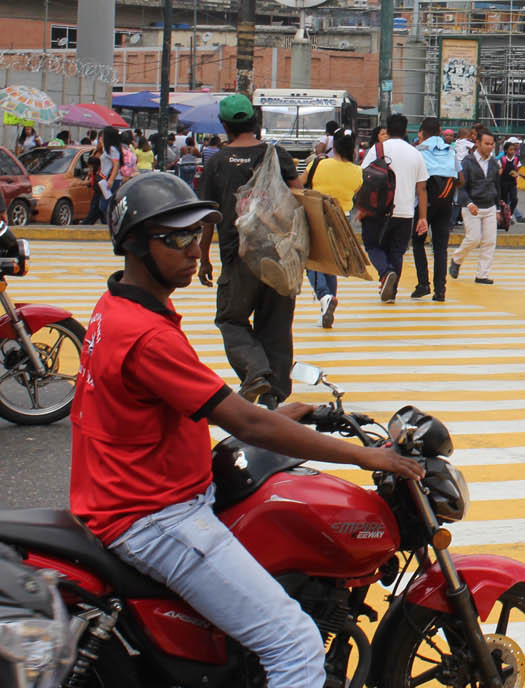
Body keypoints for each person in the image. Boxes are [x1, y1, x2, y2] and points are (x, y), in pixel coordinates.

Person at [74, 173, 422, 688]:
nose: (195, 250)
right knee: (295, 645)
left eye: (198, 236)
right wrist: (365, 457)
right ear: (134, 244)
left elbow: (187, 408)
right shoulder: (146, 336)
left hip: (127, 492)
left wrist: (275, 417)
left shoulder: (118, 307)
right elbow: (244, 420)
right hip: (155, 517)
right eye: (176, 238)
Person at [195, 95, 301, 407]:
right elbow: (300, 195)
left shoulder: (217, 162)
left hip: (238, 256)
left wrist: (203, 258)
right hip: (279, 255)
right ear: (255, 121)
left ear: (224, 125)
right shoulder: (275, 154)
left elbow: (208, 218)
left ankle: (254, 371)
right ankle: (274, 395)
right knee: (276, 326)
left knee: (231, 319)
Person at [360, 113, 428, 304]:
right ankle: (392, 291)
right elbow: (421, 188)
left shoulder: (378, 148)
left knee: (373, 245)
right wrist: (423, 217)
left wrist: (362, 208)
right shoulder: (416, 153)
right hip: (406, 212)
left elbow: (364, 178)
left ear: (387, 130)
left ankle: (385, 273)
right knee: (396, 252)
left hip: (378, 210)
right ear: (406, 131)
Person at [303, 131, 362, 328]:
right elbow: (354, 192)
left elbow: (300, 182)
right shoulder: (357, 171)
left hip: (316, 216)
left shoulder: (319, 164)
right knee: (332, 264)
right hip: (342, 220)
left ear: (334, 146)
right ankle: (327, 306)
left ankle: (324, 296)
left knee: (313, 261)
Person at [409, 117, 458, 302]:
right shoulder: (451, 150)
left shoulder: (418, 151)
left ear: (421, 132)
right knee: (440, 248)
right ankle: (440, 290)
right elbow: (460, 177)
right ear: (440, 130)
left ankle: (423, 284)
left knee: (418, 240)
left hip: (425, 201)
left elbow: (416, 182)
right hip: (446, 201)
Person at [450, 130, 502, 285]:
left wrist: (498, 208)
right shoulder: (467, 162)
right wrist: (469, 203)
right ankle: (456, 259)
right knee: (473, 238)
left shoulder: (493, 162)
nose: (490, 147)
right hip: (472, 206)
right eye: (486, 143)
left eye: (492, 144)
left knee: (489, 241)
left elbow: (497, 186)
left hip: (490, 207)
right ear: (477, 143)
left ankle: (482, 274)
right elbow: (461, 187)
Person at [499, 138, 525, 224]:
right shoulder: (502, 160)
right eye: (510, 150)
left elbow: (516, 170)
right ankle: (504, 217)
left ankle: (509, 215)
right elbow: (499, 171)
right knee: (504, 201)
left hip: (512, 183)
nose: (512, 152)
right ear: (506, 150)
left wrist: (521, 175)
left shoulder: (516, 160)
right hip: (503, 183)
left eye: (514, 150)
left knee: (514, 199)